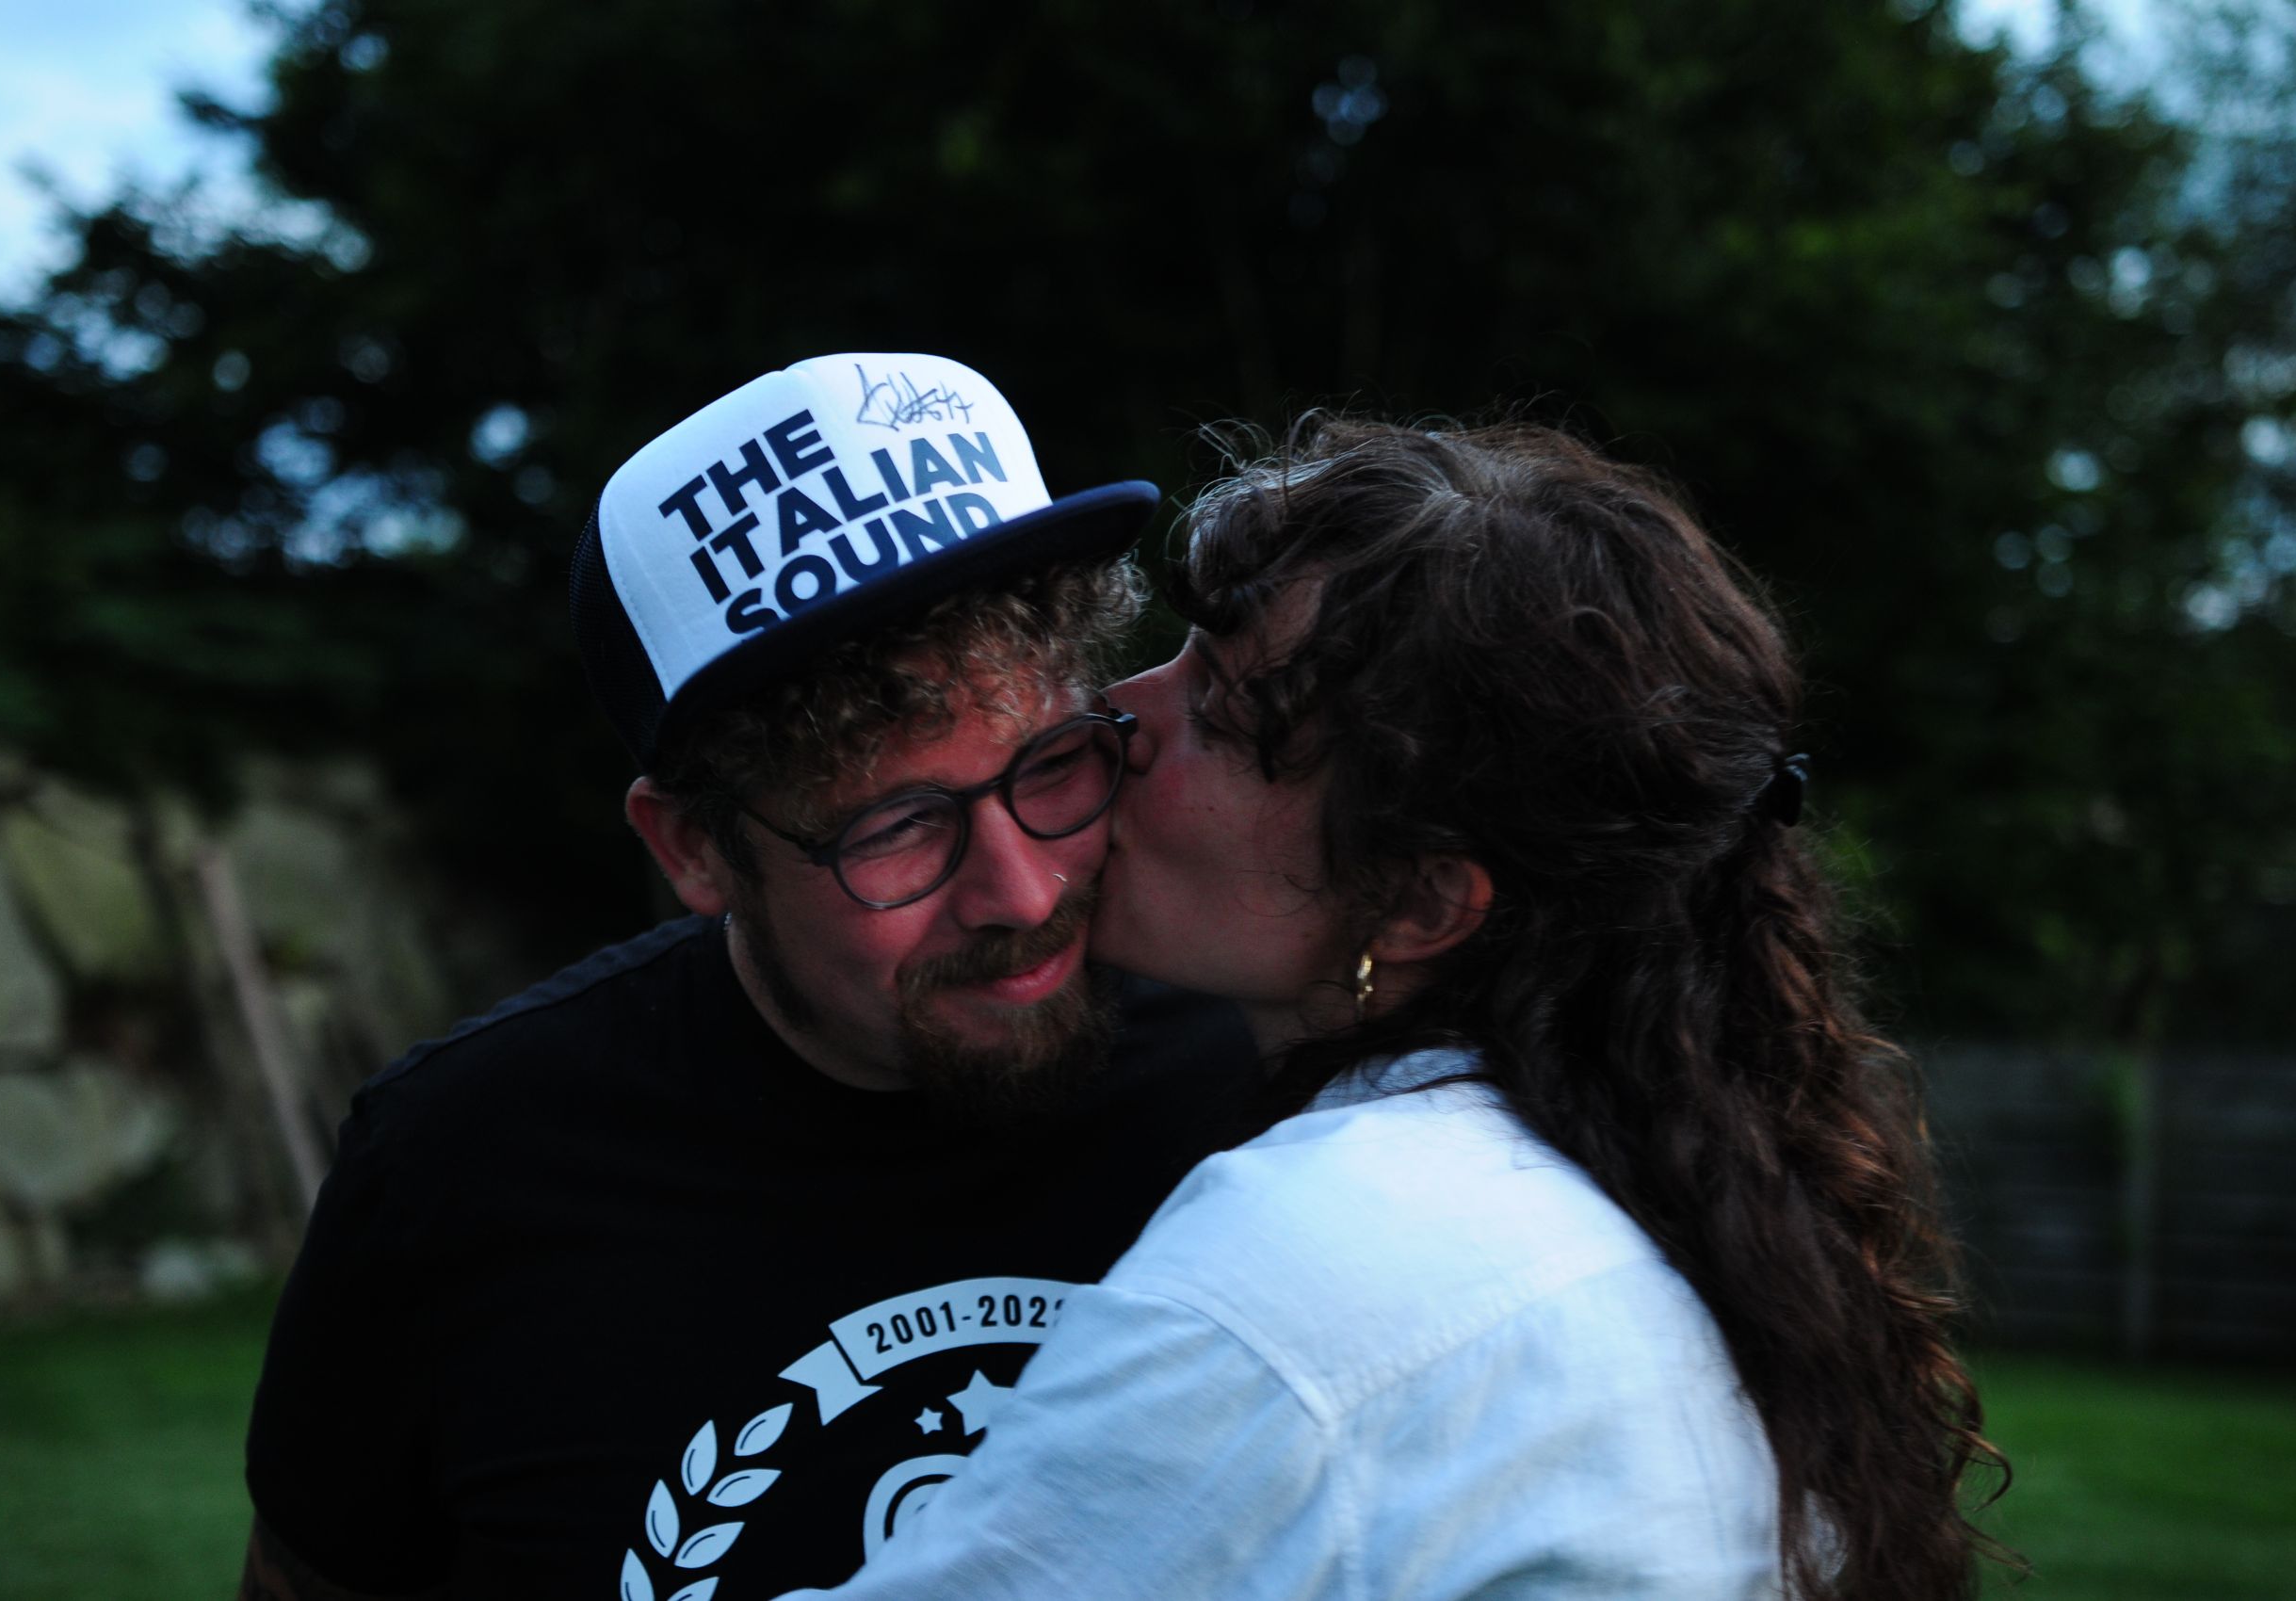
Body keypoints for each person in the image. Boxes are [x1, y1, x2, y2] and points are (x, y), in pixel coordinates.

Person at [789, 419, 2006, 1600]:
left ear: (1420, 902)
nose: (1116, 711)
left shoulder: (1321, 1259)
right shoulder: (1641, 1184)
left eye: (1220, 715)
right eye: (1183, 653)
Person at [236, 354, 1254, 1600]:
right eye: (899, 827)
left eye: (1052, 765)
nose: (1026, 894)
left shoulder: (1264, 1063)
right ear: (693, 849)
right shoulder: (456, 1167)